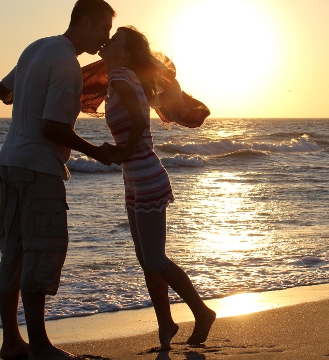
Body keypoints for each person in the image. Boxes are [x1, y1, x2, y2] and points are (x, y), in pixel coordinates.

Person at [0, 1, 117, 359]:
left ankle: (11, 342)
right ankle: (41, 347)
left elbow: (3, 92)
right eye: (103, 30)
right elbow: (52, 127)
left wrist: (30, 95)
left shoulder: (38, 46)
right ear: (87, 22)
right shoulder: (67, 65)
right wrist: (100, 152)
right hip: (38, 167)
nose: (105, 39)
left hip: (9, 161)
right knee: (42, 250)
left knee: (13, 251)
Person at [98, 26, 216, 349]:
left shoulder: (121, 78)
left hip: (146, 177)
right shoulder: (120, 77)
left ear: (124, 53)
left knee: (154, 258)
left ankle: (202, 312)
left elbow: (137, 122)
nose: (106, 42)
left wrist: (120, 152)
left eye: (115, 40)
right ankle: (166, 323)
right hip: (135, 179)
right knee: (146, 258)